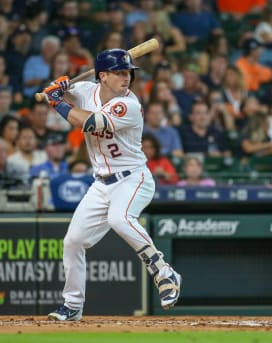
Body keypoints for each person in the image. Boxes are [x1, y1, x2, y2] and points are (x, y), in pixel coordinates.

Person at [41, 48, 182, 321]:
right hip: (101, 183)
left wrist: (56, 102)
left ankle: (164, 271)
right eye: (118, 72)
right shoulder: (85, 90)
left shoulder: (128, 104)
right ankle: (72, 306)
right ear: (102, 76)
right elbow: (63, 92)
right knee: (73, 241)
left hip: (133, 178)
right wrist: (57, 87)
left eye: (127, 72)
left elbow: (92, 123)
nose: (126, 77)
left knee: (119, 218)